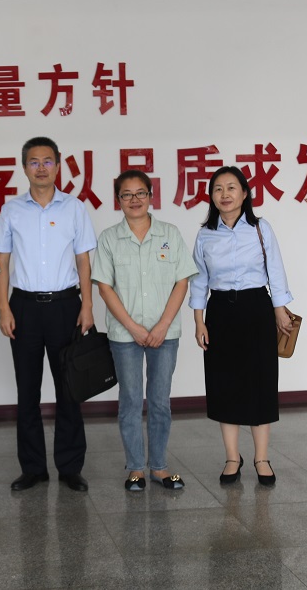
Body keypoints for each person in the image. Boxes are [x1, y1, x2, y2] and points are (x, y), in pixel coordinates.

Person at [0, 136, 97, 493]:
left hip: (66, 305)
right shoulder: (11, 210)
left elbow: (83, 260)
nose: (41, 168)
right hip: (23, 308)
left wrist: (87, 305)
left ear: (58, 165)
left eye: (47, 161)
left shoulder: (74, 208)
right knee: (28, 391)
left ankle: (70, 467)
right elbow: (1, 262)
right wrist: (3, 308)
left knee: (69, 389)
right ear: (24, 167)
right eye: (34, 162)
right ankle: (33, 468)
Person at [91, 170, 198, 492]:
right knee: (130, 400)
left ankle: (160, 467)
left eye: (140, 193)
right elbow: (105, 287)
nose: (134, 199)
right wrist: (133, 327)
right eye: (127, 194)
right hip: (125, 336)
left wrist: (163, 325)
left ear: (151, 196)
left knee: (160, 401)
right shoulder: (109, 238)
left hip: (165, 334)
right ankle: (136, 468)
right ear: (118, 200)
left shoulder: (170, 234)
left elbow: (182, 282)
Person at [189, 166, 295, 487]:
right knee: (225, 384)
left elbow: (275, 270)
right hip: (220, 312)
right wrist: (199, 321)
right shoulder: (206, 234)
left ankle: (261, 458)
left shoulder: (261, 228)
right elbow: (199, 280)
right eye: (218, 189)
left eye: (231, 187)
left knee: (260, 383)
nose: (225, 194)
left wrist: (280, 310)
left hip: (257, 308)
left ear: (244, 193)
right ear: (211, 196)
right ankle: (232, 458)